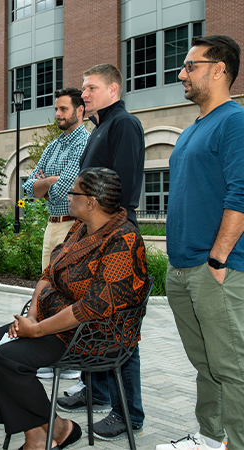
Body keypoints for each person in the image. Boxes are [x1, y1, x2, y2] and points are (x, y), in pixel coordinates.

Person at [0, 167, 150, 450]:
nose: (67, 196)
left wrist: (36, 331)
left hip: (92, 334)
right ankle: (51, 430)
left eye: (74, 192)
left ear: (92, 201)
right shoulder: (79, 227)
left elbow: (91, 308)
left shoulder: (123, 239)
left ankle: (42, 436)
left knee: (6, 360)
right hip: (54, 321)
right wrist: (31, 316)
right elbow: (49, 273)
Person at [159, 35, 243, 450]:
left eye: (190, 66)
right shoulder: (194, 127)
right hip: (181, 267)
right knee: (205, 365)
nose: (181, 73)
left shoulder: (234, 121)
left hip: (215, 269)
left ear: (219, 69)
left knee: (232, 368)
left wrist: (219, 257)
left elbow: (241, 194)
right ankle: (211, 440)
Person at [57, 63, 147, 442]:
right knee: (93, 319)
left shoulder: (123, 124)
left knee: (118, 325)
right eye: (83, 88)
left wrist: (104, 234)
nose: (85, 94)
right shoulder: (101, 126)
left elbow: (121, 188)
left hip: (114, 239)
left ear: (113, 89)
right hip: (93, 235)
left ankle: (129, 413)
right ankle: (97, 391)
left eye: (91, 87)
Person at [22, 88, 90, 382]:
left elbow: (68, 188)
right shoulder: (54, 145)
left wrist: (46, 183)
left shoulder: (84, 142)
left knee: (69, 292)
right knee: (48, 292)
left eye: (64, 109)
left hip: (72, 225)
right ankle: (50, 355)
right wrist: (48, 183)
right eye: (57, 109)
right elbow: (27, 188)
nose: (59, 115)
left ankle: (71, 360)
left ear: (80, 111)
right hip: (52, 225)